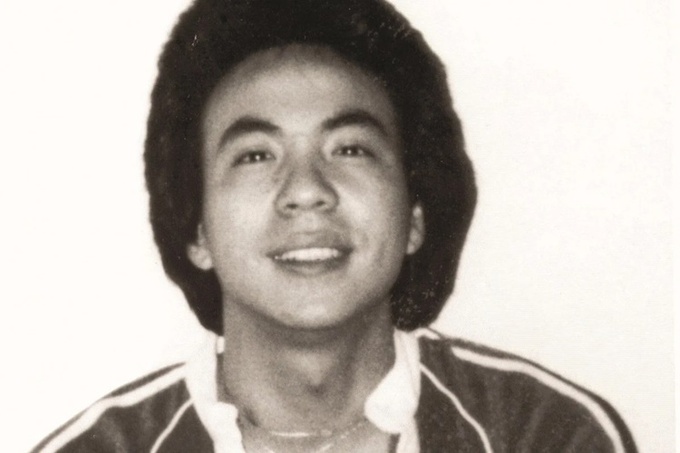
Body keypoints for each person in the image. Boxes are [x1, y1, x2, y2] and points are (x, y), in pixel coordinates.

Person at [32, 0, 638, 451]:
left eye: (350, 149)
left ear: (415, 217)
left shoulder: (541, 434)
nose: (306, 191)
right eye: (255, 155)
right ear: (196, 231)